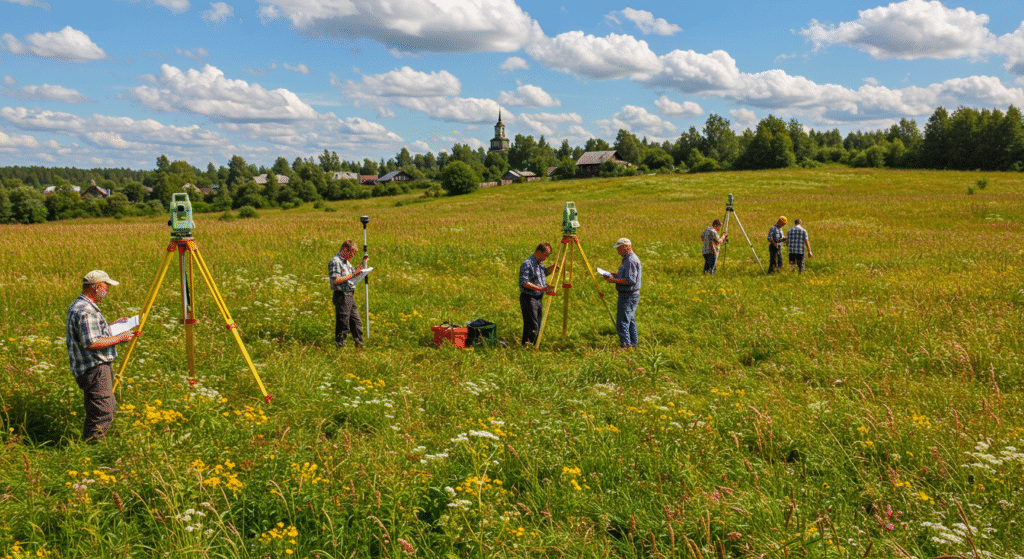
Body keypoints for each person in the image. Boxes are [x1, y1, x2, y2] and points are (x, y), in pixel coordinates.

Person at [66, 270, 138, 443]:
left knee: (97, 407)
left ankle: (90, 443)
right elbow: (91, 343)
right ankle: (93, 446)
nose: (107, 292)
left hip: (91, 366)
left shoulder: (80, 305)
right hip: (94, 367)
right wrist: (120, 338)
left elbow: (89, 333)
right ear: (97, 288)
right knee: (103, 409)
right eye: (106, 288)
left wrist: (111, 326)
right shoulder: (86, 311)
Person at [603, 238, 641, 348]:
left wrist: (613, 280)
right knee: (630, 321)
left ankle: (625, 347)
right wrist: (613, 275)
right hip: (628, 294)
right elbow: (627, 277)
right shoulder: (627, 259)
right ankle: (634, 345)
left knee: (622, 322)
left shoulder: (630, 261)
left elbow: (630, 280)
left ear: (627, 247)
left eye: (619, 249)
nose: (618, 251)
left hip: (628, 295)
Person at [328, 240, 367, 348]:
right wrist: (353, 274)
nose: (352, 256)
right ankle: (340, 347)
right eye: (352, 253)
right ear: (344, 249)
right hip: (341, 295)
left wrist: (361, 267)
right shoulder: (335, 261)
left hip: (350, 295)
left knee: (356, 322)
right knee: (343, 323)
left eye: (354, 254)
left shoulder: (346, 261)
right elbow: (336, 280)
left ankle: (360, 346)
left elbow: (350, 274)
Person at [518, 242, 558, 346]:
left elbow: (543, 274)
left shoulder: (540, 263)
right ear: (538, 252)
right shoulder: (527, 263)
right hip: (529, 298)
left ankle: (531, 344)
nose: (546, 258)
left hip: (538, 297)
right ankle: (528, 346)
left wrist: (553, 268)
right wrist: (541, 288)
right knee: (532, 325)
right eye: (545, 255)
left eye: (547, 256)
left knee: (537, 323)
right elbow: (524, 282)